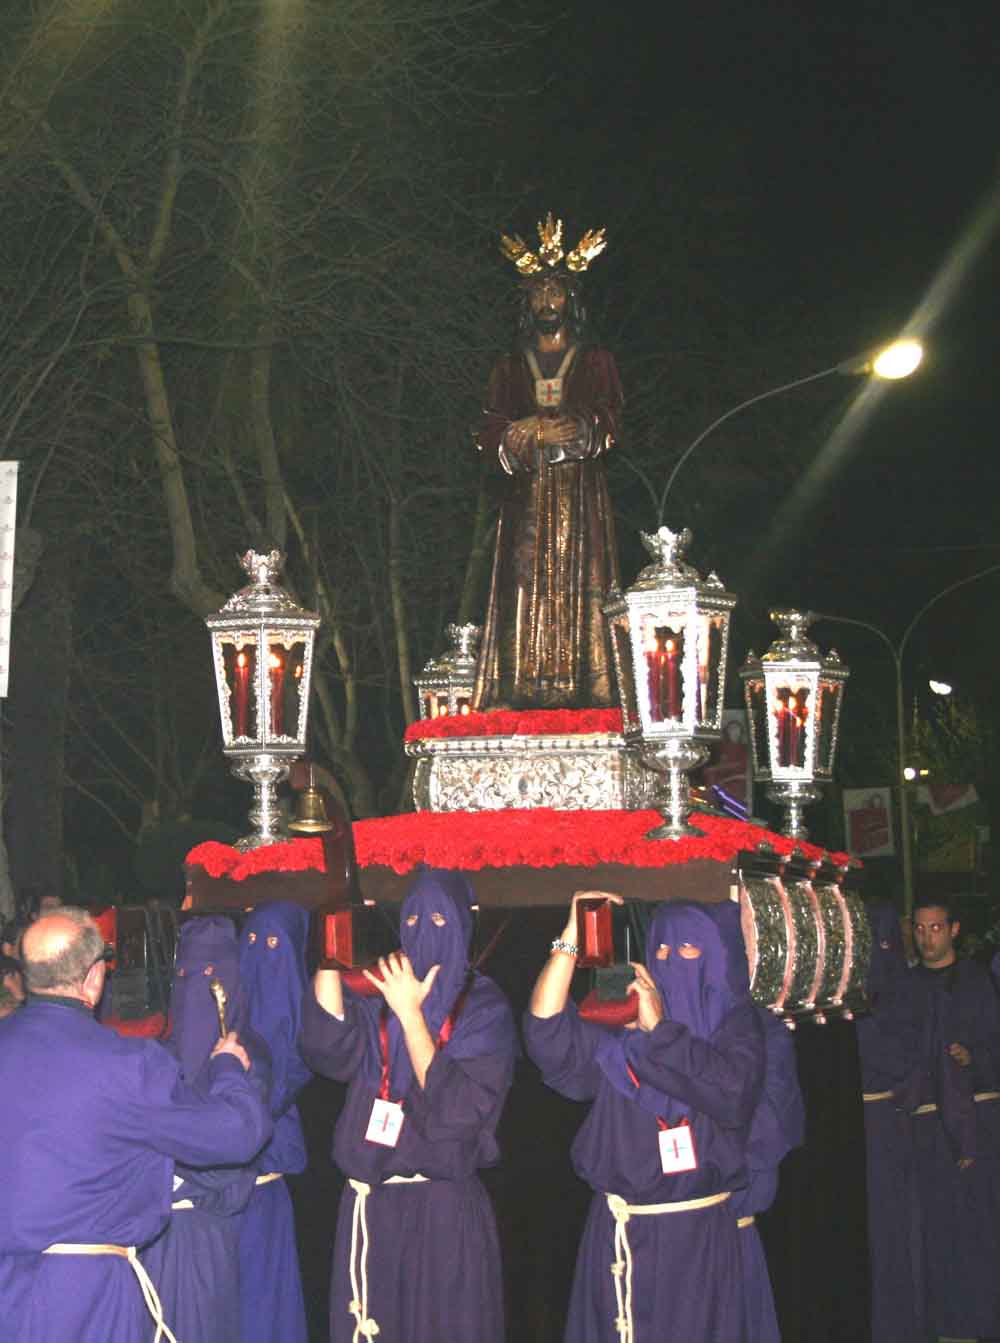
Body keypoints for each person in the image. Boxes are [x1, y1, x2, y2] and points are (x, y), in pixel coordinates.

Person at [0, 907, 271, 1342]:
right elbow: (235, 1136)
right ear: (94, 977)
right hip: (84, 1296)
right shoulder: (126, 1064)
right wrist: (228, 1071)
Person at [524, 892, 764, 1343]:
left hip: (694, 1238)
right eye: (662, 950)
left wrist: (661, 1032)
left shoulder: (735, 1025)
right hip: (617, 1230)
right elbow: (546, 1032)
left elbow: (731, 1094)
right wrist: (572, 935)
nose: (673, 961)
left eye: (690, 950)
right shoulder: (621, 1018)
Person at [300, 867, 517, 1343]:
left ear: (462, 925)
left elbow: (458, 1111)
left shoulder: (484, 1007)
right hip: (370, 1206)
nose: (424, 932)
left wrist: (411, 1015)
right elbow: (328, 1048)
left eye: (439, 920)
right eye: (413, 919)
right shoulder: (385, 988)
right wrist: (332, 953)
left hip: (441, 1211)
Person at [472, 213, 622, 711]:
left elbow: (610, 417)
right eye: (538, 294)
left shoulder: (595, 360)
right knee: (522, 579)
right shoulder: (510, 366)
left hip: (578, 491)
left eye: (555, 293)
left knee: (583, 581)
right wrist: (517, 433)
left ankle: (588, 689)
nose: (546, 303)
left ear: (571, 300)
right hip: (528, 497)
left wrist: (577, 427)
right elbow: (489, 425)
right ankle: (517, 688)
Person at [142, 916, 271, 1342]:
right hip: (150, 1236)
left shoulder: (246, 1056)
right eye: (184, 976)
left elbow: (229, 1158)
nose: (194, 986)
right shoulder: (158, 1054)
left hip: (202, 1237)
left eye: (210, 975)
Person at [908, 897, 1000, 1339]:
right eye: (921, 929)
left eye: (936, 928)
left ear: (955, 930)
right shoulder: (906, 985)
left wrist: (973, 1057)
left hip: (977, 1119)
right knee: (937, 1227)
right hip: (927, 1124)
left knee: (979, 1224)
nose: (928, 938)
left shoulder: (975, 982)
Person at [238, 901, 313, 1343]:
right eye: (251, 942)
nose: (262, 955)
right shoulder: (220, 1002)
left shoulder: (312, 1018)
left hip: (270, 1183)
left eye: (273, 945)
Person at [854, 902, 924, 1343]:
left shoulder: (896, 987)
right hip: (863, 1119)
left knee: (888, 1233)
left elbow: (904, 1054)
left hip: (881, 1117)